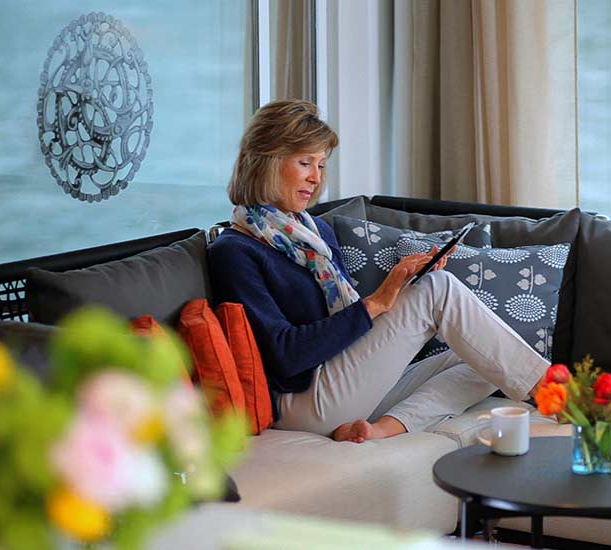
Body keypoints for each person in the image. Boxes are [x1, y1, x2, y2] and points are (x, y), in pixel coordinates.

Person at [207, 99, 550, 443]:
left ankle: (382, 429)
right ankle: (557, 394)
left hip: (342, 377)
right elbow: (285, 355)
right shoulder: (235, 251)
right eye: (305, 162)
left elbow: (346, 326)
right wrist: (375, 303)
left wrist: (399, 287)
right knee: (439, 288)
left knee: (485, 359)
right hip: (302, 398)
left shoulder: (314, 233)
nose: (316, 177)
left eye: (321, 165)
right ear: (266, 160)